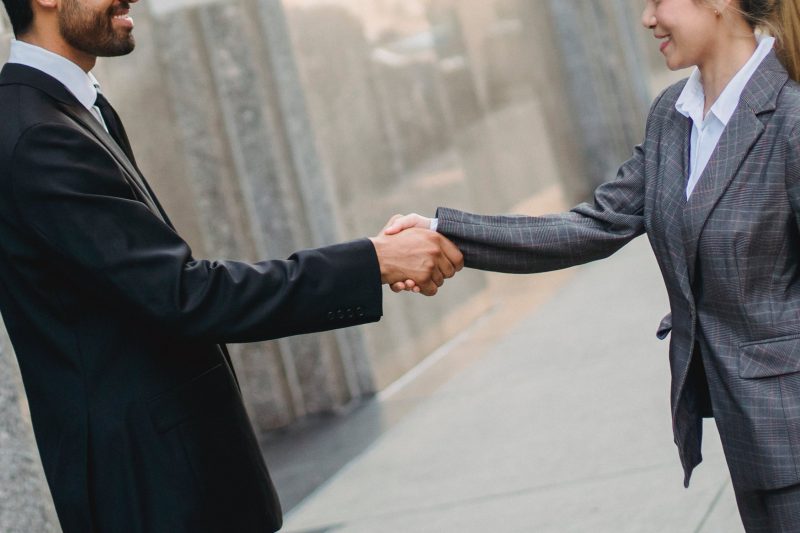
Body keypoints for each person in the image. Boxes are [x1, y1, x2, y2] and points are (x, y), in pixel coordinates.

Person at [0, 0, 464, 531]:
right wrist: (371, 262)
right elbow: (185, 296)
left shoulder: (61, 110)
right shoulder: (39, 134)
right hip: (153, 493)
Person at [387, 0, 800, 531]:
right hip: (748, 432)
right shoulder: (674, 116)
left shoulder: (790, 116)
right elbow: (594, 224)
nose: (647, 19)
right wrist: (442, 230)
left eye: (658, 1)